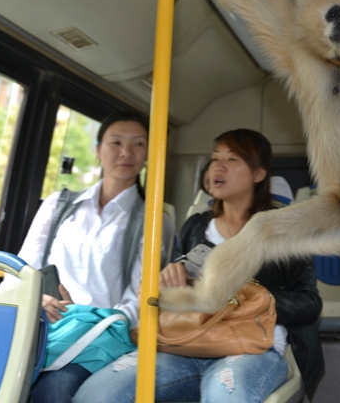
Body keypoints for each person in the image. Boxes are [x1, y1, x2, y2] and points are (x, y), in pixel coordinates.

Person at [73, 128, 324, 403]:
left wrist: (242, 295)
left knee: (224, 396)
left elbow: (309, 303)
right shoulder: (196, 226)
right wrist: (172, 282)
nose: (219, 167)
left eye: (232, 160)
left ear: (258, 174)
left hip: (251, 347)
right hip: (185, 343)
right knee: (96, 395)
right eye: (215, 159)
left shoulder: (284, 231)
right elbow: (175, 295)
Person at [3, 110, 172, 403]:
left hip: (98, 338)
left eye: (138, 144)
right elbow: (20, 270)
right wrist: (33, 299)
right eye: (116, 143)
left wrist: (87, 320)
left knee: (52, 390)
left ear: (148, 155)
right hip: (40, 323)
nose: (126, 153)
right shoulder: (60, 204)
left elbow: (138, 298)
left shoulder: (154, 220)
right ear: (98, 150)